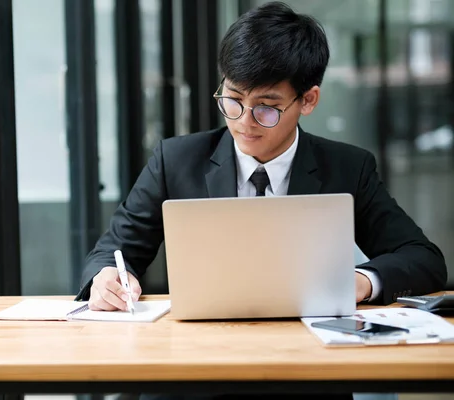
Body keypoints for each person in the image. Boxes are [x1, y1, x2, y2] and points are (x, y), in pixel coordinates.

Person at [75, 2, 447, 399]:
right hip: (193, 369)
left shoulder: (347, 167)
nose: (243, 122)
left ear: (308, 100)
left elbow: (423, 258)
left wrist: (358, 281)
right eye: (233, 100)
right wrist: (106, 278)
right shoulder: (177, 160)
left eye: (266, 108)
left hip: (307, 372)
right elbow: (112, 250)